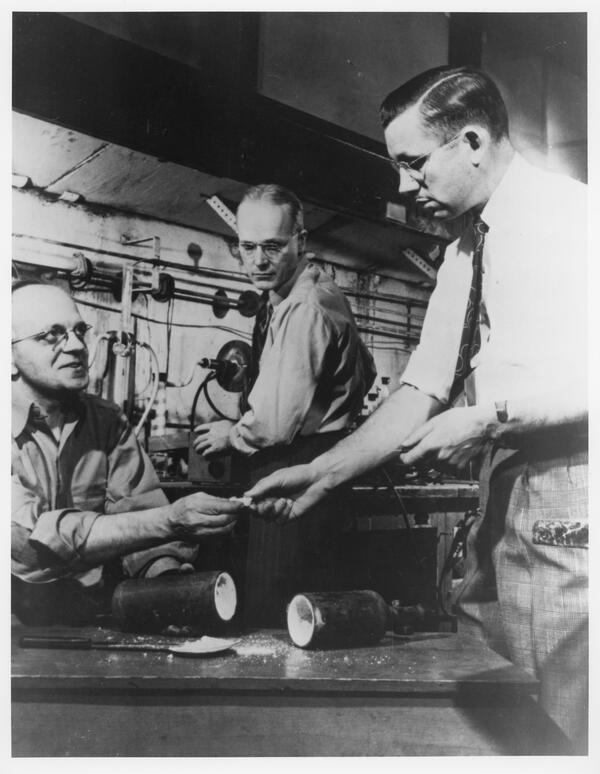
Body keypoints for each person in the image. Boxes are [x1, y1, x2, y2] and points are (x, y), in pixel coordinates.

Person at [246, 67, 587, 751]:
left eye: (414, 163)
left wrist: (489, 419)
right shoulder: (465, 249)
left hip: (574, 483)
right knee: (494, 689)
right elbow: (420, 391)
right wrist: (322, 473)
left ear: (472, 142)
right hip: (505, 485)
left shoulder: (572, 216)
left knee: (566, 703)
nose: (404, 186)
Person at [193, 183, 376, 625]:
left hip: (293, 466)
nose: (258, 260)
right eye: (247, 247)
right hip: (313, 463)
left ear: (301, 241)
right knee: (302, 611)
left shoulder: (304, 308)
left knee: (278, 612)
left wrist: (232, 435)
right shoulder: (307, 294)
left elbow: (274, 425)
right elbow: (366, 369)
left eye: (273, 246)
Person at [11, 280, 243, 625]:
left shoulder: (106, 421)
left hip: (92, 613)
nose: (76, 346)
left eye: (79, 332)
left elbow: (140, 509)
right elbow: (29, 543)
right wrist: (170, 520)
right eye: (51, 335)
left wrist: (167, 585)